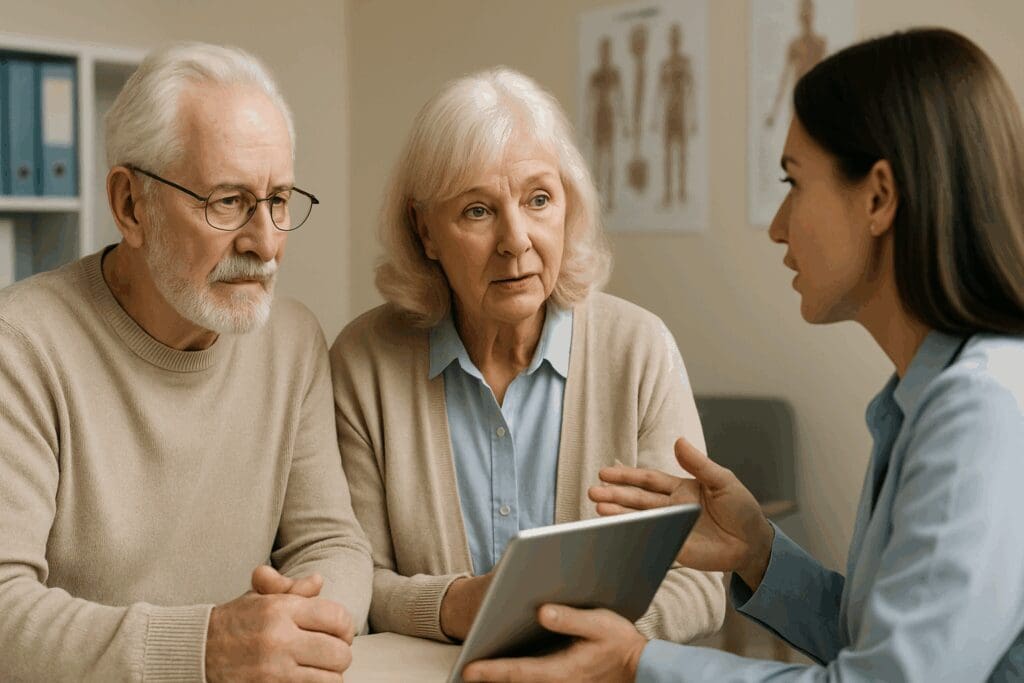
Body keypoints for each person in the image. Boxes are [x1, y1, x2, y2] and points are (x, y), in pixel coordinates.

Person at [462, 28, 1024, 682]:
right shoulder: (932, 395)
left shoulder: (979, 411)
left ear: (878, 196)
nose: (779, 225)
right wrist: (758, 551)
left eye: (794, 182)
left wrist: (636, 663)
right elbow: (880, 643)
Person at [0, 43, 372, 682]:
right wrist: (204, 648)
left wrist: (299, 637)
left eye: (278, 199)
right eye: (227, 201)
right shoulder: (20, 346)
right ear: (130, 206)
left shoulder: (293, 341)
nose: (264, 244)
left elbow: (332, 544)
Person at [330, 67, 725, 646]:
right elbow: (358, 576)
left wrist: (586, 645)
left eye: (539, 199)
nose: (516, 239)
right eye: (478, 211)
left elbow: (697, 578)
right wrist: (458, 605)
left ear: (568, 206)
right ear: (425, 231)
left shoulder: (639, 349)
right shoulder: (364, 364)